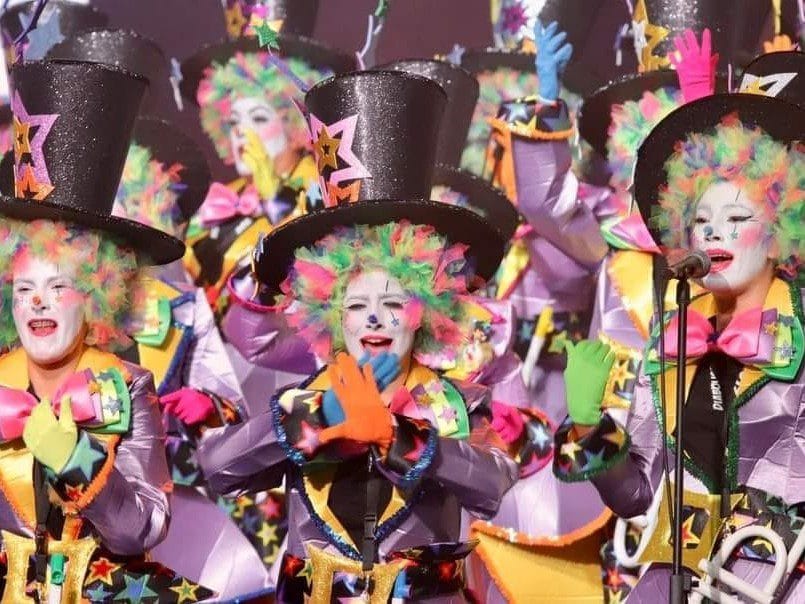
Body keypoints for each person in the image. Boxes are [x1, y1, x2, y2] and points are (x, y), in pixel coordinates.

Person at [199, 69, 519, 603]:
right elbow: (219, 469)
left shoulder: (460, 403)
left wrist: (400, 439)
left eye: (393, 304)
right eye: (357, 306)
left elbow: (498, 489)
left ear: (424, 311)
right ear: (333, 317)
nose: (374, 319)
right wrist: (312, 419)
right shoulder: (305, 399)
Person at [555, 91, 805, 601]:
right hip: (674, 580)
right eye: (702, 222)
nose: (716, 233)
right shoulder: (673, 341)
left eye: (737, 220)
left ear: (780, 232)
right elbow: (635, 496)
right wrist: (588, 425)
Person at [0, 59, 211, 601]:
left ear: (96, 295)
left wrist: (78, 458)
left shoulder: (129, 385)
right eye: (24, 290)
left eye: (60, 286)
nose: (39, 303)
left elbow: (143, 528)